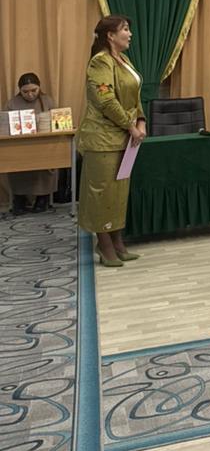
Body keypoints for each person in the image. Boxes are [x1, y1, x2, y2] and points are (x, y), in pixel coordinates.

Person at [76, 15, 145, 267]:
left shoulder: (124, 60)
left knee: (117, 194)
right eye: (125, 29)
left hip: (124, 138)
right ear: (110, 35)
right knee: (101, 194)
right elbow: (106, 101)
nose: (130, 34)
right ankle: (104, 245)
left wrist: (141, 121)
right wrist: (130, 125)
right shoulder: (100, 62)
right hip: (102, 138)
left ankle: (117, 242)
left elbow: (135, 96)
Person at [3, 72, 57, 214]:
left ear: (39, 87)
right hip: (19, 147)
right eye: (25, 92)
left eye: (34, 90)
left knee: (50, 161)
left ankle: (43, 197)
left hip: (44, 146)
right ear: (19, 90)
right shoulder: (12, 103)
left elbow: (56, 122)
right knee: (14, 163)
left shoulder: (47, 101)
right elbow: (5, 127)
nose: (30, 94)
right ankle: (19, 198)